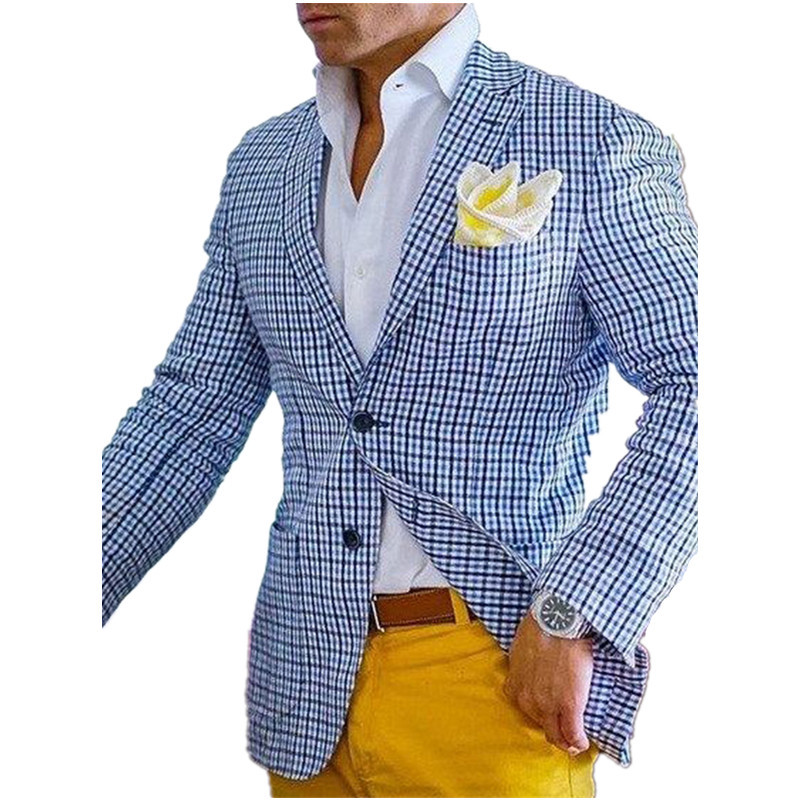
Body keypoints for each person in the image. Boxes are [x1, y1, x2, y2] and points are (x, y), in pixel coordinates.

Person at [102, 3, 698, 796]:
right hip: (306, 687)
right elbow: (191, 411)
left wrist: (578, 612)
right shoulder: (264, 164)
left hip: (493, 678)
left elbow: (702, 382)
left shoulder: (589, 140)